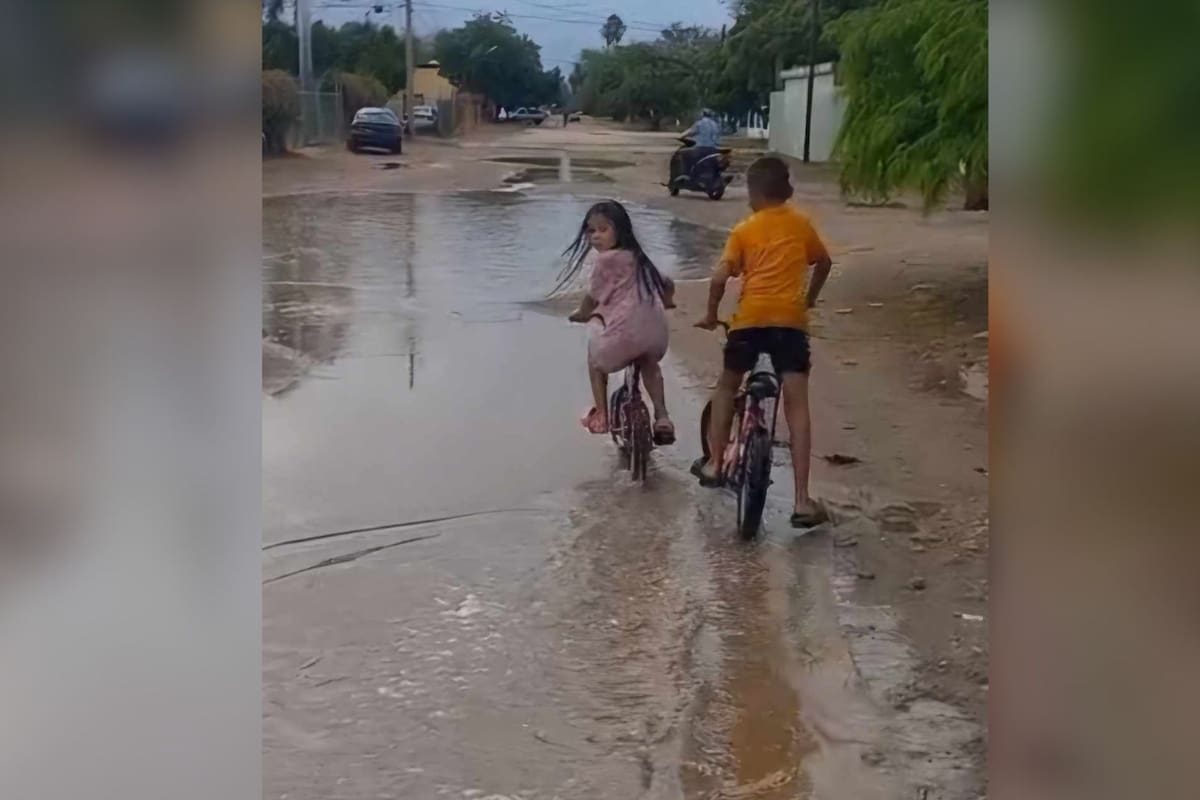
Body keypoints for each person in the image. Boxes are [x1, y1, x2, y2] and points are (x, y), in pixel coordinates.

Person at [692, 157, 833, 527]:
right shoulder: (801, 225)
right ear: (785, 190)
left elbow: (720, 277)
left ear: (754, 193)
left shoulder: (744, 230)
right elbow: (825, 262)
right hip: (790, 323)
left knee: (727, 387)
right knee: (797, 407)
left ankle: (715, 462)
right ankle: (802, 500)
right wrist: (809, 300)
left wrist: (710, 314)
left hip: (749, 322)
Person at [561, 200, 677, 444]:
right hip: (654, 334)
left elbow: (593, 297)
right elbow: (667, 283)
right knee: (649, 365)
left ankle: (602, 414)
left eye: (603, 230)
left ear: (620, 230)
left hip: (622, 337)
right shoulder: (638, 257)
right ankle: (662, 416)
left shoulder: (604, 261)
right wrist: (667, 302)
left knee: (594, 362)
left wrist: (582, 314)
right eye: (591, 231)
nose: (595, 236)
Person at [677, 108, 722, 176]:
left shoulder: (700, 123)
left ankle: (685, 174)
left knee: (683, 154)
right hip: (713, 149)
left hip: (701, 148)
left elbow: (690, 132)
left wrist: (681, 136)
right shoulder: (715, 124)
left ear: (702, 115)